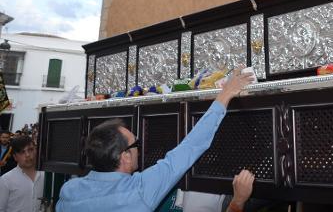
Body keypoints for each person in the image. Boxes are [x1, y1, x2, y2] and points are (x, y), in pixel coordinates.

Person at [56, 68, 255, 212]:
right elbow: (191, 146)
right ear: (124, 157)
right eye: (136, 145)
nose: (140, 150)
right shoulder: (139, 191)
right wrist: (226, 93)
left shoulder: (69, 191)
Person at [0, 135, 44, 212]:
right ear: (15, 157)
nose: (27, 155)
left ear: (36, 150)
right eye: (22, 152)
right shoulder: (6, 180)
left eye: (30, 149)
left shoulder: (47, 175)